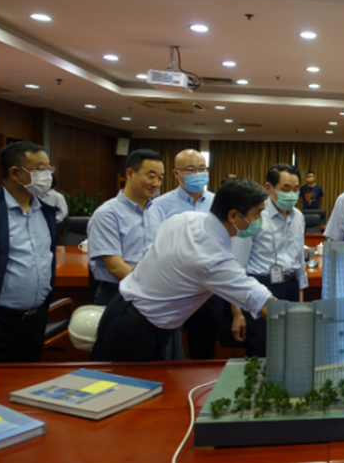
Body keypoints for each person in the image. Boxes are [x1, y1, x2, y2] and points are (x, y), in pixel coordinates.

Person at [90, 178, 276, 362]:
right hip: (137, 334)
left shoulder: (185, 219)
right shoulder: (212, 259)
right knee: (124, 382)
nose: (259, 220)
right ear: (234, 215)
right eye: (257, 214)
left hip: (118, 308)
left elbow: (145, 257)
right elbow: (264, 303)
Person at [230, 164, 308, 357]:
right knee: (262, 348)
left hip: (290, 286)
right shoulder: (253, 216)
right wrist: (237, 313)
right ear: (268, 188)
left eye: (296, 189)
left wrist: (300, 302)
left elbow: (299, 263)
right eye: (285, 189)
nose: (291, 194)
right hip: (261, 287)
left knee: (289, 349)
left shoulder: (298, 217)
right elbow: (236, 267)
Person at [153, 149, 222, 360]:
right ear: (176, 174)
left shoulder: (218, 203)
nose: (198, 174)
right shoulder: (159, 205)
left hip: (208, 287)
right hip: (173, 288)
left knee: (204, 350)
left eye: (202, 169)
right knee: (169, 349)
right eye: (191, 170)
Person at [0, 141, 59, 363]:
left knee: (29, 377)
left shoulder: (46, 211)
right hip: (0, 320)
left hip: (36, 318)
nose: (47, 175)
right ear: (15, 173)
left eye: (48, 168)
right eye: (40, 169)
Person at [87, 149, 166, 305]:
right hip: (117, 294)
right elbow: (115, 267)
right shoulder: (107, 214)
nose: (156, 184)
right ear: (130, 174)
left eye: (160, 178)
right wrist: (148, 291)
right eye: (151, 176)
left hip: (151, 293)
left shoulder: (157, 212)